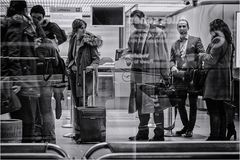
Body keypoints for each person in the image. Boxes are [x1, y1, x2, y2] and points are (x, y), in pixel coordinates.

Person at [125, 10, 169, 141]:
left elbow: (163, 55)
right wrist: (127, 55)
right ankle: (142, 133)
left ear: (144, 19)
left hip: (153, 74)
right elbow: (129, 49)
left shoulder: (157, 33)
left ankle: (159, 134)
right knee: (141, 105)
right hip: (138, 75)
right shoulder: (133, 35)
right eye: (134, 25)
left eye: (137, 24)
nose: (136, 27)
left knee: (156, 105)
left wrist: (166, 75)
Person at [1, 0, 40, 142]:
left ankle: (22, 147)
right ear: (24, 9)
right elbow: (13, 53)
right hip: (21, 78)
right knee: (26, 119)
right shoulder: (18, 24)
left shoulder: (16, 24)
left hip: (19, 76)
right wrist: (17, 81)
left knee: (24, 117)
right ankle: (25, 149)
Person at [29, 5, 67, 143]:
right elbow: (56, 61)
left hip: (33, 78)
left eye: (39, 18)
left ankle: (39, 136)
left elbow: (63, 37)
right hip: (47, 77)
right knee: (45, 110)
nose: (37, 20)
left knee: (36, 111)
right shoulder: (48, 41)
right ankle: (49, 138)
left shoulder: (32, 35)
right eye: (35, 17)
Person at [66, 19, 102, 142]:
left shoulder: (89, 42)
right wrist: (71, 66)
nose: (84, 30)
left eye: (84, 27)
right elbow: (70, 58)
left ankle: (84, 133)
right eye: (81, 27)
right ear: (75, 29)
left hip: (85, 76)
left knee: (83, 103)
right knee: (77, 104)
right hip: (74, 76)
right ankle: (78, 131)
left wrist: (91, 67)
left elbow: (96, 59)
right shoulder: (72, 40)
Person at [199, 19, 235, 140]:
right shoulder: (229, 42)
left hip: (214, 79)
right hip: (224, 78)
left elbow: (212, 60)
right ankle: (222, 136)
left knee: (213, 110)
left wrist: (202, 55)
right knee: (221, 109)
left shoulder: (218, 40)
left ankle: (214, 136)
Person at [170, 19, 205, 137]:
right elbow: (171, 60)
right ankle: (186, 126)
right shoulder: (174, 44)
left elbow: (202, 54)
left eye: (184, 26)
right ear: (177, 28)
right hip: (179, 77)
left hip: (191, 76)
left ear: (188, 27)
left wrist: (191, 62)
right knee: (180, 104)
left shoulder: (196, 40)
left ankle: (190, 129)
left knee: (193, 104)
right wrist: (172, 66)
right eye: (179, 26)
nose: (182, 28)